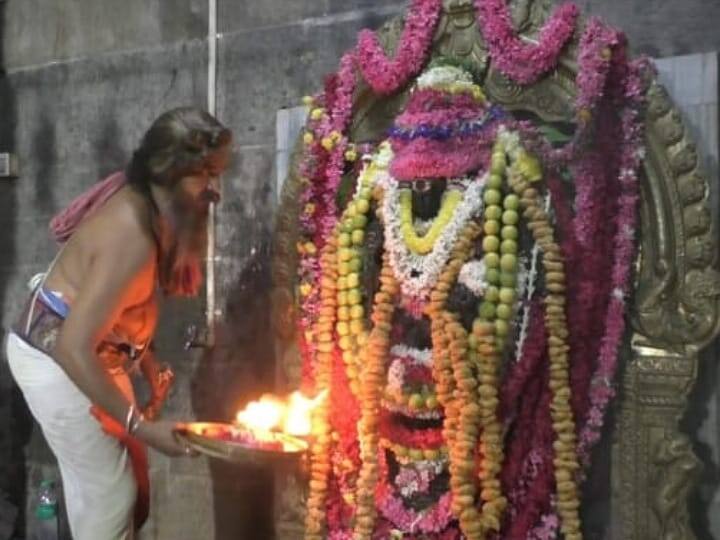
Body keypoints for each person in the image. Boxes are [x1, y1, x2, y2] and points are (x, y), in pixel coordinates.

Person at [5, 107, 232, 540]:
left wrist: (145, 359)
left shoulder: (150, 207)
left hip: (93, 349)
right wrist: (142, 428)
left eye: (217, 173)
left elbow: (119, 304)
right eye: (205, 174)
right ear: (168, 171)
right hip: (58, 358)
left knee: (126, 487)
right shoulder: (131, 233)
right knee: (110, 494)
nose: (215, 190)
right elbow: (73, 346)